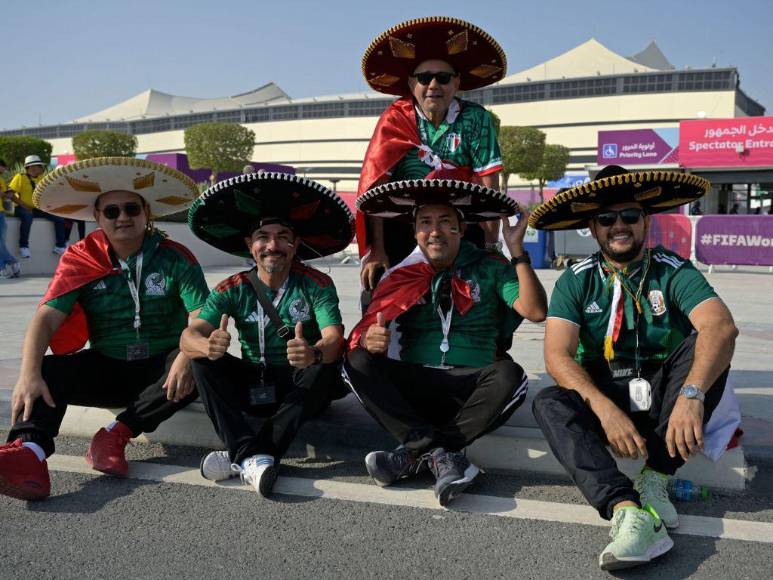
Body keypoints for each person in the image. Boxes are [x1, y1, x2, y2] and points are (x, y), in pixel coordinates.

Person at [529, 165, 740, 570]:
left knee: (710, 346)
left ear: (646, 221)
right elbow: (557, 354)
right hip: (608, 390)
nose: (619, 226)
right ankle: (627, 509)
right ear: (593, 228)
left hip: (664, 392)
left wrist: (692, 395)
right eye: (607, 219)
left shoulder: (672, 269)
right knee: (550, 401)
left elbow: (720, 325)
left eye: (629, 216)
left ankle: (656, 477)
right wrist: (603, 409)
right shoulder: (575, 279)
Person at [0, 157, 207, 501]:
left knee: (204, 362)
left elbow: (203, 315)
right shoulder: (80, 257)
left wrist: (188, 353)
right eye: (111, 212)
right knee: (47, 370)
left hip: (164, 371)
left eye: (131, 209)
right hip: (108, 366)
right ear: (97, 218)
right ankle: (30, 455)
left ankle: (115, 435)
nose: (122, 217)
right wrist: (28, 374)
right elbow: (46, 318)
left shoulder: (175, 256)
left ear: (146, 214)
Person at [345, 177, 547, 506]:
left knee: (511, 376)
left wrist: (517, 251)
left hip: (470, 383)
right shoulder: (400, 275)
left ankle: (413, 454)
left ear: (461, 228)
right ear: (415, 233)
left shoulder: (491, 267)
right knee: (355, 361)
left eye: (445, 222)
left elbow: (537, 311)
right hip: (416, 384)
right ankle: (440, 454)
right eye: (425, 223)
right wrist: (372, 339)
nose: (434, 231)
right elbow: (366, 335)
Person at [183, 172, 354, 497]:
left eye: (283, 237)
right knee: (202, 362)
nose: (272, 246)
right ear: (250, 245)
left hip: (298, 386)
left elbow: (334, 339)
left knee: (324, 368)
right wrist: (207, 344)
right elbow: (189, 336)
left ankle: (243, 455)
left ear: (295, 244)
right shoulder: (231, 288)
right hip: (252, 385)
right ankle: (253, 456)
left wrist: (313, 353)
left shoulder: (317, 284)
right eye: (263, 237)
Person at [357, 17, 508, 294]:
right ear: (411, 83)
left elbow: (489, 185)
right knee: (380, 292)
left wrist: (491, 246)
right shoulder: (394, 118)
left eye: (444, 77)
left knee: (486, 294)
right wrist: (377, 249)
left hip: (461, 225)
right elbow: (375, 187)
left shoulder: (476, 118)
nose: (433, 85)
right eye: (424, 78)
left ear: (457, 82)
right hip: (404, 226)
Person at [7, 155, 67, 257]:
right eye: (39, 166)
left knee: (59, 218)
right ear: (32, 167)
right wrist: (25, 206)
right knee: (27, 217)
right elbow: (10, 194)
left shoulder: (42, 178)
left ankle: (60, 246)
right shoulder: (20, 177)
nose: (42, 168)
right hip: (21, 208)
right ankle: (24, 247)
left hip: (38, 209)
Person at [0, 158, 21, 279]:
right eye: (3, 167)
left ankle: (3, 268)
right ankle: (11, 262)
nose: (4, 169)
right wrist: (5, 194)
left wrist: (5, 194)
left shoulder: (1, 179)